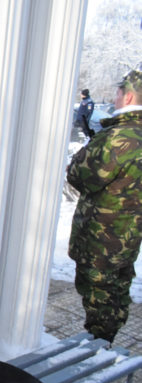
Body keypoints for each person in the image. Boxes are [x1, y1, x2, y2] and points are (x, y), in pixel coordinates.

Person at [67, 66, 142, 343]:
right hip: (129, 236)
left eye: (118, 93)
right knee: (118, 290)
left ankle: (98, 346)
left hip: (102, 238)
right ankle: (108, 339)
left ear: (128, 97)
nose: (115, 97)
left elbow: (79, 175)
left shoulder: (117, 138)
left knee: (99, 294)